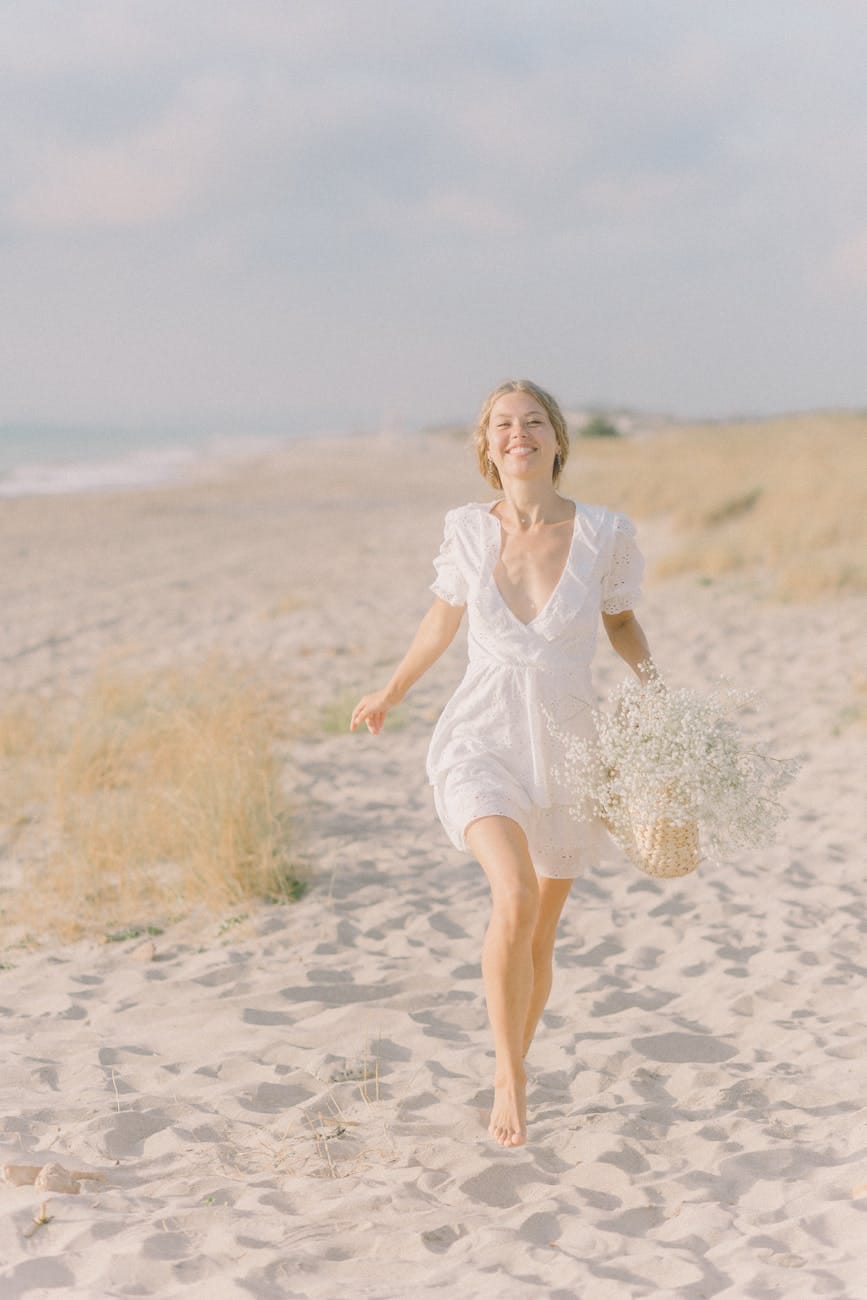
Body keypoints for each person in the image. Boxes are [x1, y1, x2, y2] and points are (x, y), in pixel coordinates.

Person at [350, 379, 656, 1148]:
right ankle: (508, 1077)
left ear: (555, 438)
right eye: (501, 425)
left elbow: (620, 621)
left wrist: (654, 688)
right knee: (512, 895)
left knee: (540, 935)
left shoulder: (604, 532)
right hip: (479, 732)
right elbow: (438, 621)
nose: (516, 434)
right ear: (487, 446)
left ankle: (514, 1056)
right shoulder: (463, 529)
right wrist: (389, 688)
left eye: (531, 422)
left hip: (567, 745)